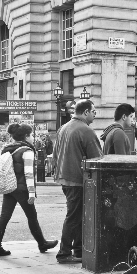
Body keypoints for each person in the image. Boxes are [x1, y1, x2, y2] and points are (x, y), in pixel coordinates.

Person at [0, 124, 58, 256]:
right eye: (31, 135)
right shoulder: (27, 151)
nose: (33, 138)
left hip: (10, 186)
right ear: (26, 136)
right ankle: (42, 244)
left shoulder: (8, 149)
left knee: (4, 216)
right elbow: (29, 173)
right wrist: (32, 192)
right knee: (32, 216)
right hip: (22, 189)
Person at [53, 100, 103, 263]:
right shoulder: (86, 131)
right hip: (78, 180)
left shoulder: (63, 128)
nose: (95, 115)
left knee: (78, 215)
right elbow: (97, 160)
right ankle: (64, 252)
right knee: (74, 217)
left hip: (65, 178)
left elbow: (55, 154)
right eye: (94, 112)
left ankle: (79, 249)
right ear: (86, 112)